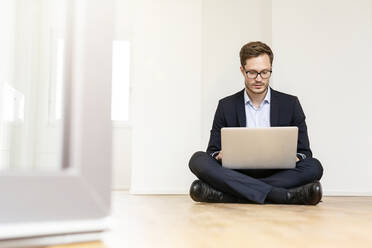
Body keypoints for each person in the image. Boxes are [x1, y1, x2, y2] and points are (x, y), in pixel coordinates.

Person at [188, 41, 323, 205]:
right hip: (237, 172)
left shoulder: (291, 104)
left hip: (279, 173)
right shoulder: (226, 105)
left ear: (271, 69)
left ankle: (229, 194)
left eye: (265, 72)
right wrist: (219, 155)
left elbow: (305, 153)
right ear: (242, 71)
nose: (259, 79)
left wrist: (295, 157)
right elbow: (211, 152)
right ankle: (283, 195)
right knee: (198, 160)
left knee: (314, 166)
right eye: (252, 72)